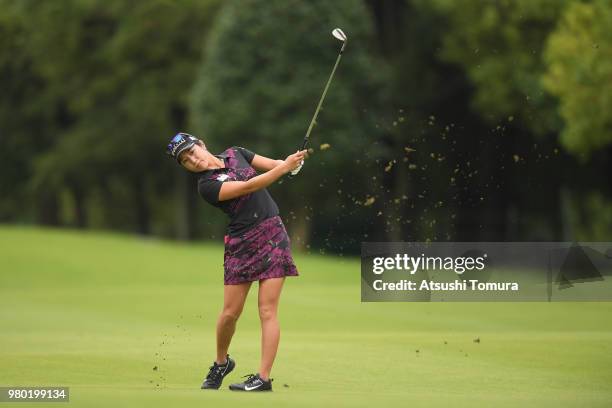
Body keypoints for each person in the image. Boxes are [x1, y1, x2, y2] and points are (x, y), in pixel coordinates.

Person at [166, 132, 306, 392]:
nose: (193, 160)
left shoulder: (236, 153)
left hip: (273, 233)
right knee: (230, 313)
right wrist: (284, 168)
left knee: (267, 310)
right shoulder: (206, 186)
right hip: (242, 243)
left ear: (202, 144)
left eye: (192, 151)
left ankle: (263, 379)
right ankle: (221, 362)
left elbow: (276, 165)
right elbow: (248, 187)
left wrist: (291, 164)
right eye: (185, 160)